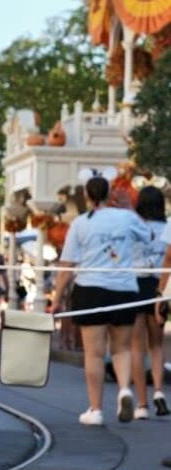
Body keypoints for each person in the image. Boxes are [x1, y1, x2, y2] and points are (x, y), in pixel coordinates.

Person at [52, 176, 150, 426]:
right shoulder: (126, 218)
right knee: (122, 348)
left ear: (87, 195)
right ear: (109, 195)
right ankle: (125, 391)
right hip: (123, 289)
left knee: (94, 354)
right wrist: (129, 210)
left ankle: (95, 409)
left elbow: (68, 264)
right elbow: (148, 235)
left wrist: (57, 296)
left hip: (90, 289)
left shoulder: (81, 223)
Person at [130, 187, 168, 419]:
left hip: (134, 285)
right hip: (159, 287)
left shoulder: (134, 227)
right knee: (156, 345)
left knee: (136, 348)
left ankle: (142, 404)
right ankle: (159, 392)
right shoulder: (167, 228)